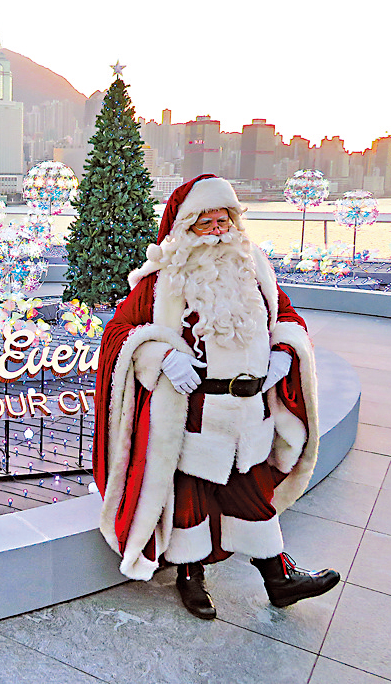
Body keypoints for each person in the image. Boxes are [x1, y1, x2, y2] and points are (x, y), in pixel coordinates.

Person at [92, 173, 339, 620]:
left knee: (249, 490)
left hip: (250, 409)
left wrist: (283, 353)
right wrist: (162, 356)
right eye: (205, 223)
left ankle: (279, 578)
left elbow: (284, 314)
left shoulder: (254, 266)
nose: (217, 229)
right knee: (191, 494)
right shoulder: (162, 278)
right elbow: (120, 333)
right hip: (195, 411)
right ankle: (192, 579)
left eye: (223, 219)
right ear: (186, 228)